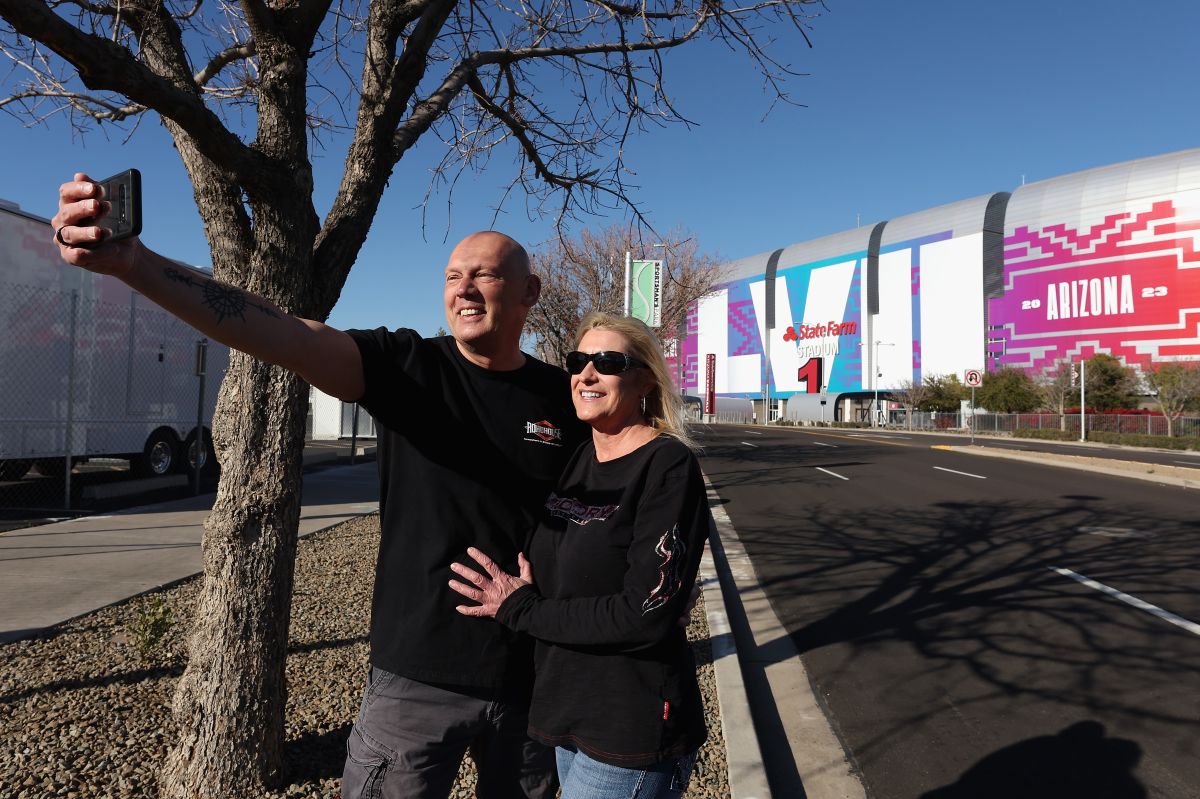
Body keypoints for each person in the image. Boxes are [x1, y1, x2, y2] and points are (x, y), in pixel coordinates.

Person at [51, 173, 590, 798]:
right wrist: (134, 264)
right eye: (452, 275)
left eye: (486, 275)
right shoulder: (409, 368)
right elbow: (278, 330)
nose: (464, 288)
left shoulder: (567, 398)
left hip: (537, 675)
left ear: (530, 291)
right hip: (418, 676)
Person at [448, 312, 711, 798]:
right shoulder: (578, 459)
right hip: (565, 711)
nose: (586, 374)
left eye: (607, 362)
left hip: (628, 726)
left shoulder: (667, 465)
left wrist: (521, 608)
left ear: (646, 379)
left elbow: (643, 615)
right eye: (578, 361)